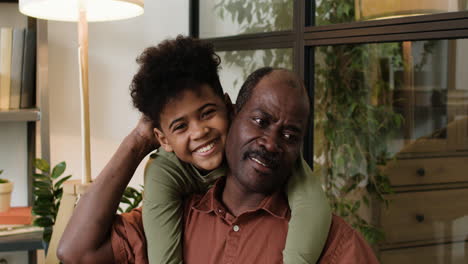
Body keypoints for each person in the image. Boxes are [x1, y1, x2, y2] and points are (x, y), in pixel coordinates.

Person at [57, 37, 330, 263]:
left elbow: (311, 206)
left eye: (207, 113)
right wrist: (138, 140)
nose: (199, 132)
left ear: (229, 106)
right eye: (180, 126)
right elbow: (72, 252)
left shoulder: (266, 155)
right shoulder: (165, 172)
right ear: (162, 139)